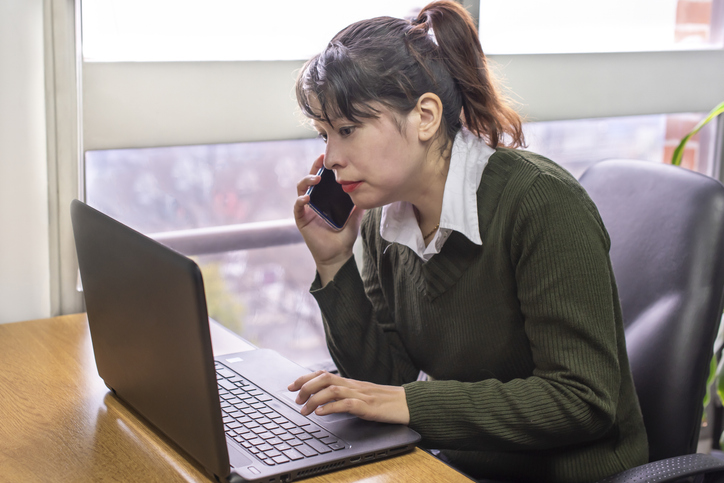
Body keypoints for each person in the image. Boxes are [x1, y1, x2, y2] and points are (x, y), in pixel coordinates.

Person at [288, 1, 648, 481]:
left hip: (569, 472)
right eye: (324, 133)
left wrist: (411, 402)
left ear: (426, 116)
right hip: (465, 463)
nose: (330, 157)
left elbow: (582, 400)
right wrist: (335, 263)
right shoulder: (383, 219)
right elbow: (384, 385)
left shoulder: (539, 202)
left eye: (348, 130)